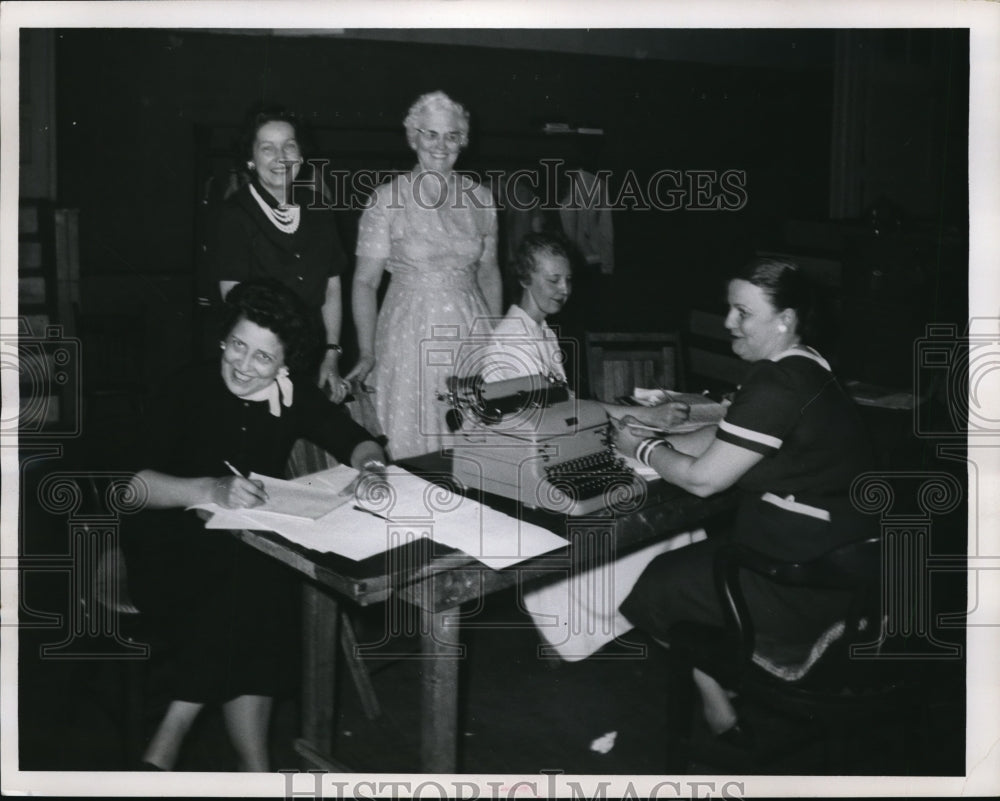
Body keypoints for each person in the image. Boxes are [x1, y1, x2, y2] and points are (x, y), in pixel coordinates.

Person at [121, 280, 387, 771]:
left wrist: (371, 470)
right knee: (248, 582)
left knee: (254, 574)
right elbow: (130, 487)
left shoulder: (293, 396)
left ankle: (183, 743)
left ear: (284, 365)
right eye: (237, 346)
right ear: (224, 338)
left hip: (238, 550)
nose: (243, 365)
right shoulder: (186, 386)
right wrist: (207, 489)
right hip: (164, 539)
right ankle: (231, 755)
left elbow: (357, 439)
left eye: (263, 358)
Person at [610, 257, 875, 742]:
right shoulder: (809, 365)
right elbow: (731, 434)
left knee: (655, 582)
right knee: (688, 563)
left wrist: (642, 449)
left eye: (742, 313)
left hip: (798, 581)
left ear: (785, 320)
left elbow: (704, 481)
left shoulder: (776, 382)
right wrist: (657, 432)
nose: (729, 322)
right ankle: (717, 686)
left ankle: (713, 688)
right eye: (728, 309)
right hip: (844, 563)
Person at [346, 91, 502, 460]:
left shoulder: (482, 199)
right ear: (413, 136)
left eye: (451, 136)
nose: (440, 145)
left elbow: (490, 273)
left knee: (473, 440)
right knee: (413, 437)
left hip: (471, 330)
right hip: (409, 332)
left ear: (463, 141)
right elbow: (364, 282)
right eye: (430, 134)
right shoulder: (387, 199)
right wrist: (367, 351)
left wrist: (498, 339)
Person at [214, 108, 351, 403]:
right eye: (267, 148)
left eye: (289, 145)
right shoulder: (235, 214)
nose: (281, 156)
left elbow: (333, 287)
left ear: (301, 155)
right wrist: (266, 357)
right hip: (257, 361)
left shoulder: (320, 209)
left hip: (314, 358)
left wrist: (331, 353)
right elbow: (232, 298)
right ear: (251, 159)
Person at [480, 231, 573, 384]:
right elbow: (549, 405)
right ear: (525, 279)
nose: (565, 289)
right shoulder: (514, 337)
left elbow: (562, 400)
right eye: (554, 280)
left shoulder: (543, 329)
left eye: (568, 280)